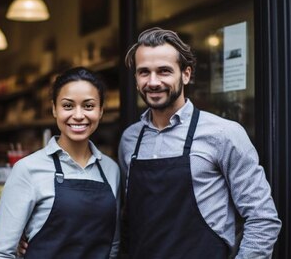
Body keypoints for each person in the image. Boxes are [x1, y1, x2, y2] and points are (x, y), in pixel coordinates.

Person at [118, 27, 281, 258]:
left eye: (164, 71)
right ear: (136, 78)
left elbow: (262, 218)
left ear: (185, 74)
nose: (153, 82)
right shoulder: (130, 139)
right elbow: (129, 219)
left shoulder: (223, 133)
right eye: (144, 72)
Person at [0, 67, 120, 259]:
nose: (78, 115)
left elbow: (113, 246)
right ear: (54, 109)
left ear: (101, 111)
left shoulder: (111, 169)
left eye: (88, 106)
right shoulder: (28, 169)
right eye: (67, 106)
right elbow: (1, 254)